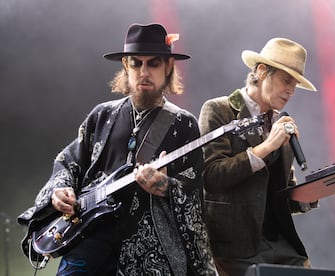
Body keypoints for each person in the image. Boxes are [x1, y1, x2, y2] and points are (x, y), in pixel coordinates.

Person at [17, 23, 217, 276]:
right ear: (125, 65)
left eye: (153, 64)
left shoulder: (184, 124)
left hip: (149, 248)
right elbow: (68, 163)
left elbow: (195, 189)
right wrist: (60, 191)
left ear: (168, 67)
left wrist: (166, 186)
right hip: (90, 236)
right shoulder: (101, 115)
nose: (144, 72)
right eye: (136, 63)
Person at [198, 37, 319, 275]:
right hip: (232, 246)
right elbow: (211, 177)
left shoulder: (278, 124)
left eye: (295, 85)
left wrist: (311, 194)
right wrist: (266, 147)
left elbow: (278, 195)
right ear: (262, 71)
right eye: (287, 81)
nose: (291, 91)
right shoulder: (219, 109)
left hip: (279, 245)